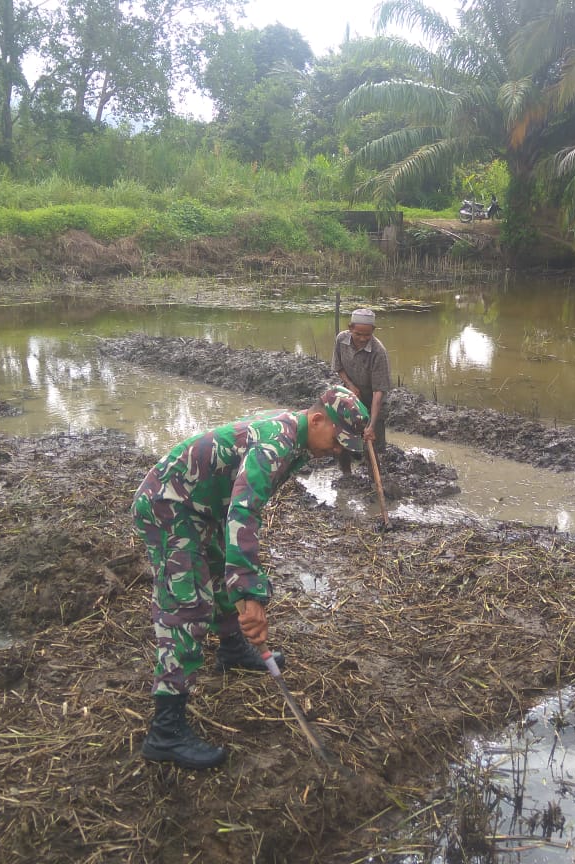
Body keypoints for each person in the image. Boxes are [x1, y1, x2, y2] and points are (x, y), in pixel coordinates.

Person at [131, 385, 369, 770]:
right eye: (338, 441)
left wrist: (239, 583)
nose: (339, 450)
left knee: (223, 563)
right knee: (187, 606)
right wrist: (250, 595)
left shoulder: (295, 436)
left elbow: (238, 509)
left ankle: (232, 649)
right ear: (319, 418)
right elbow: (245, 512)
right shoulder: (277, 444)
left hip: (201, 506)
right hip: (169, 507)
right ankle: (166, 730)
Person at [331, 308, 390, 459]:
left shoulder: (378, 352)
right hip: (350, 397)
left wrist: (370, 426)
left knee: (374, 445)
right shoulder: (341, 340)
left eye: (367, 335)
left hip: (373, 401)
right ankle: (349, 472)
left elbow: (379, 391)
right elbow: (338, 367)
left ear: (373, 331)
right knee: (347, 440)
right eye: (358, 334)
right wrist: (350, 385)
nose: (363, 339)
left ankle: (375, 471)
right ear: (350, 328)